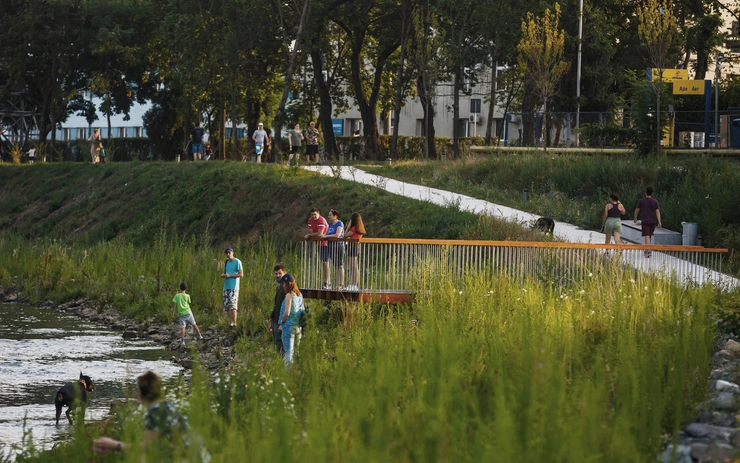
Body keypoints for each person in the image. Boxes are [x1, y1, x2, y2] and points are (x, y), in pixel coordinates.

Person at [92, 371, 189, 456]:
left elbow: (147, 449)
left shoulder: (155, 412)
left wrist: (114, 445)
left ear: (140, 396)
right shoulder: (169, 406)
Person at [277, 274, 304, 370]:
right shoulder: (299, 295)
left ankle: (288, 374)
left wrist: (281, 323)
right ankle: (297, 373)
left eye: (283, 283)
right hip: (298, 327)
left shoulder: (289, 295)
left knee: (288, 352)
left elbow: (286, 313)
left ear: (287, 284)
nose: (283, 286)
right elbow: (302, 310)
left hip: (288, 327)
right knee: (296, 352)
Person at [304, 208, 329, 288]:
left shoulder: (321, 220)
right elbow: (312, 231)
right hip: (319, 243)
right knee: (323, 262)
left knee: (325, 262)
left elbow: (319, 233)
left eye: (315, 214)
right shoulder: (310, 220)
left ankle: (327, 282)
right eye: (312, 215)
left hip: (326, 243)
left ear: (318, 214)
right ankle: (326, 281)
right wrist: (311, 234)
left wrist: (309, 235)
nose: (313, 216)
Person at [634, 186, 662, 258]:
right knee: (649, 235)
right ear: (652, 193)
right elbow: (657, 212)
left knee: (646, 235)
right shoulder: (655, 202)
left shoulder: (641, 201)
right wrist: (659, 221)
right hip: (653, 221)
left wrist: (635, 218)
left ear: (645, 192)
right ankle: (648, 248)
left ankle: (648, 250)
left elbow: (637, 210)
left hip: (645, 220)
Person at [172, 282, 203, 347]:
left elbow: (174, 304)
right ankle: (200, 335)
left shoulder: (177, 295)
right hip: (188, 312)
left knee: (183, 327)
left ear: (180, 288)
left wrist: (174, 312)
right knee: (194, 324)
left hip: (181, 314)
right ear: (186, 289)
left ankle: (183, 340)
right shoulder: (187, 296)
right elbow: (189, 302)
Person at [320, 209, 345, 289]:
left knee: (340, 265)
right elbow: (328, 234)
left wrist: (326, 236)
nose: (328, 217)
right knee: (335, 265)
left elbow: (337, 235)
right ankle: (337, 284)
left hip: (339, 246)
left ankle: (341, 284)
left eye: (330, 215)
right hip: (331, 246)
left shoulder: (339, 223)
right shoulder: (330, 224)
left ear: (335, 216)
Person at [221, 247, 243, 327]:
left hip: (234, 287)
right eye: (226, 253)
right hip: (226, 286)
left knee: (233, 306)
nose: (228, 254)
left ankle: (235, 323)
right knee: (227, 306)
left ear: (232, 252)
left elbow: (241, 274)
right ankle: (231, 323)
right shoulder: (226, 262)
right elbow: (224, 272)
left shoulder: (237, 261)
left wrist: (230, 275)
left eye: (229, 252)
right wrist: (223, 275)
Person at [344, 212, 366, 291]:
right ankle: (353, 284)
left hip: (352, 246)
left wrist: (348, 226)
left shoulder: (354, 228)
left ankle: (354, 284)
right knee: (353, 266)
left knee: (353, 266)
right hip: (356, 246)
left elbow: (345, 235)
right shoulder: (360, 229)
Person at [270, 265, 287, 353]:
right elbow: (276, 306)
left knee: (283, 346)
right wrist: (271, 323)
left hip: (282, 322)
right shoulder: (278, 288)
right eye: (276, 274)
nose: (278, 275)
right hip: (275, 320)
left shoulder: (287, 289)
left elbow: (287, 309)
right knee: (277, 344)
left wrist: (282, 324)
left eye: (280, 273)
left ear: (285, 274)